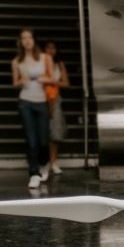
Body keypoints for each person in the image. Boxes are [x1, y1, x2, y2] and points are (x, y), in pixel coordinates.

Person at [12, 29, 54, 189]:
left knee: (43, 141)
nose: (27, 41)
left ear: (34, 39)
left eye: (29, 37)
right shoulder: (17, 61)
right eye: (24, 38)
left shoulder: (45, 57)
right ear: (20, 41)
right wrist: (21, 81)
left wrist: (44, 78)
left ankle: (44, 163)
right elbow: (14, 83)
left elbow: (53, 78)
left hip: (42, 100)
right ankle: (33, 173)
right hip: (25, 101)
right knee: (31, 140)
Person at [42, 41, 70, 175]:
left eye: (53, 48)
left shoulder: (59, 64)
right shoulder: (39, 63)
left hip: (55, 97)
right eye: (48, 47)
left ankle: (53, 161)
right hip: (41, 97)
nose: (50, 50)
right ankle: (44, 161)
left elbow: (66, 83)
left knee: (54, 130)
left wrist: (52, 82)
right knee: (42, 131)